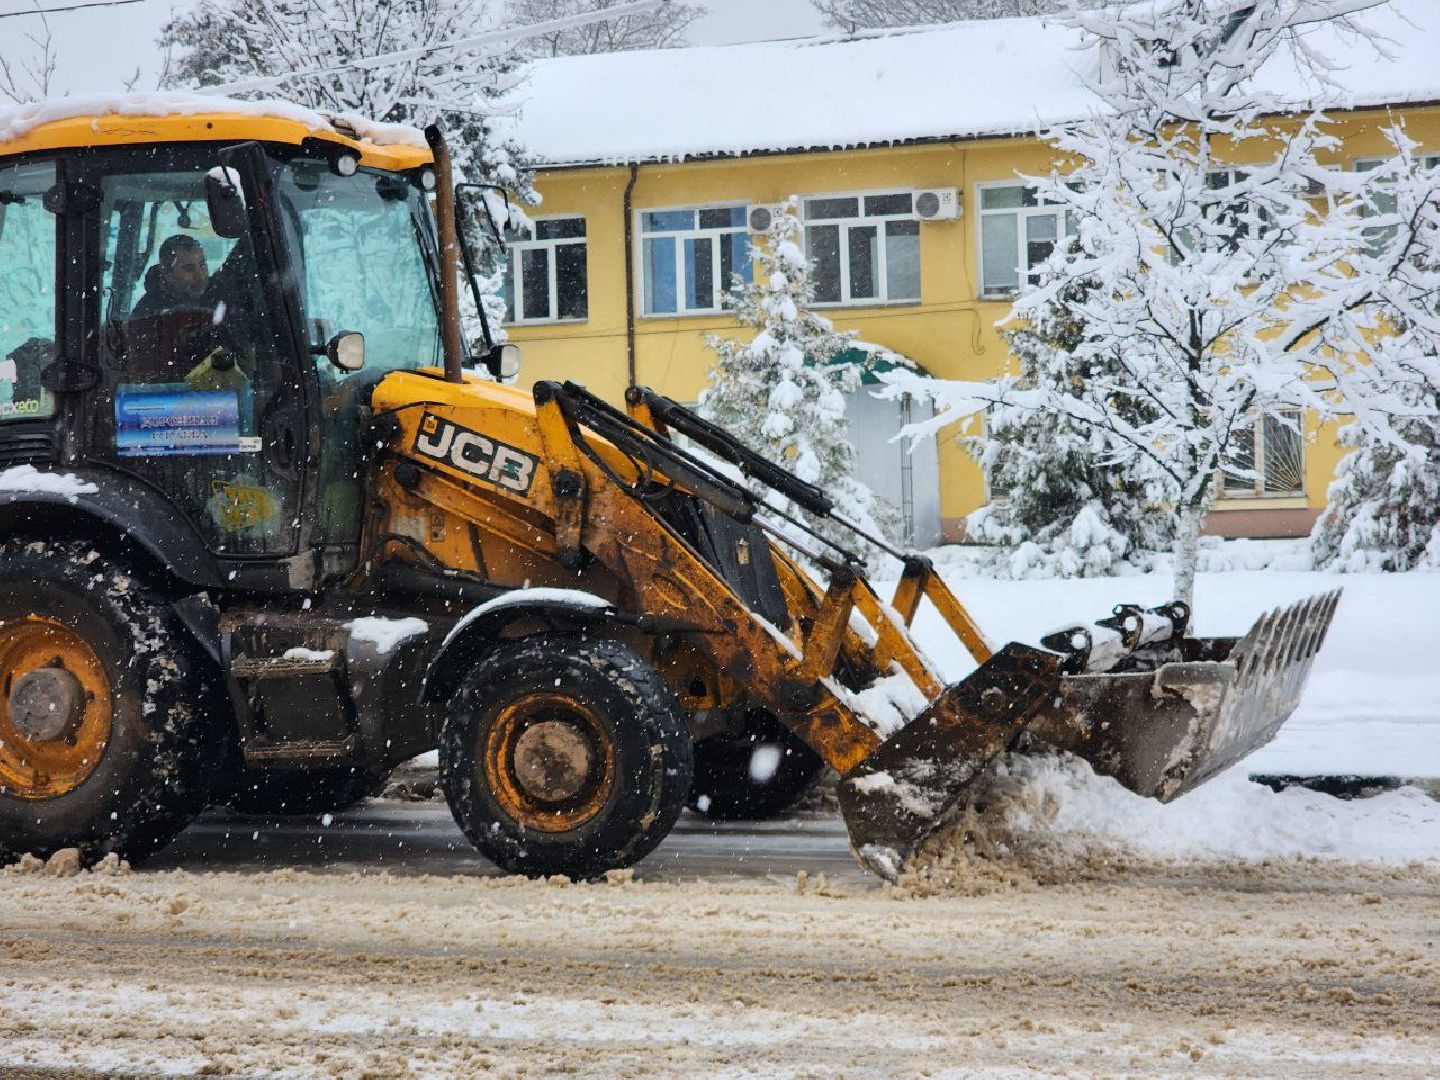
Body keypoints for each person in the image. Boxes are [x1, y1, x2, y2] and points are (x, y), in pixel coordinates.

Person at [131, 234, 210, 319]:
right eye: (189, 269)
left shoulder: (216, 292)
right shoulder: (149, 315)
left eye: (202, 265)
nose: (200, 276)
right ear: (168, 274)